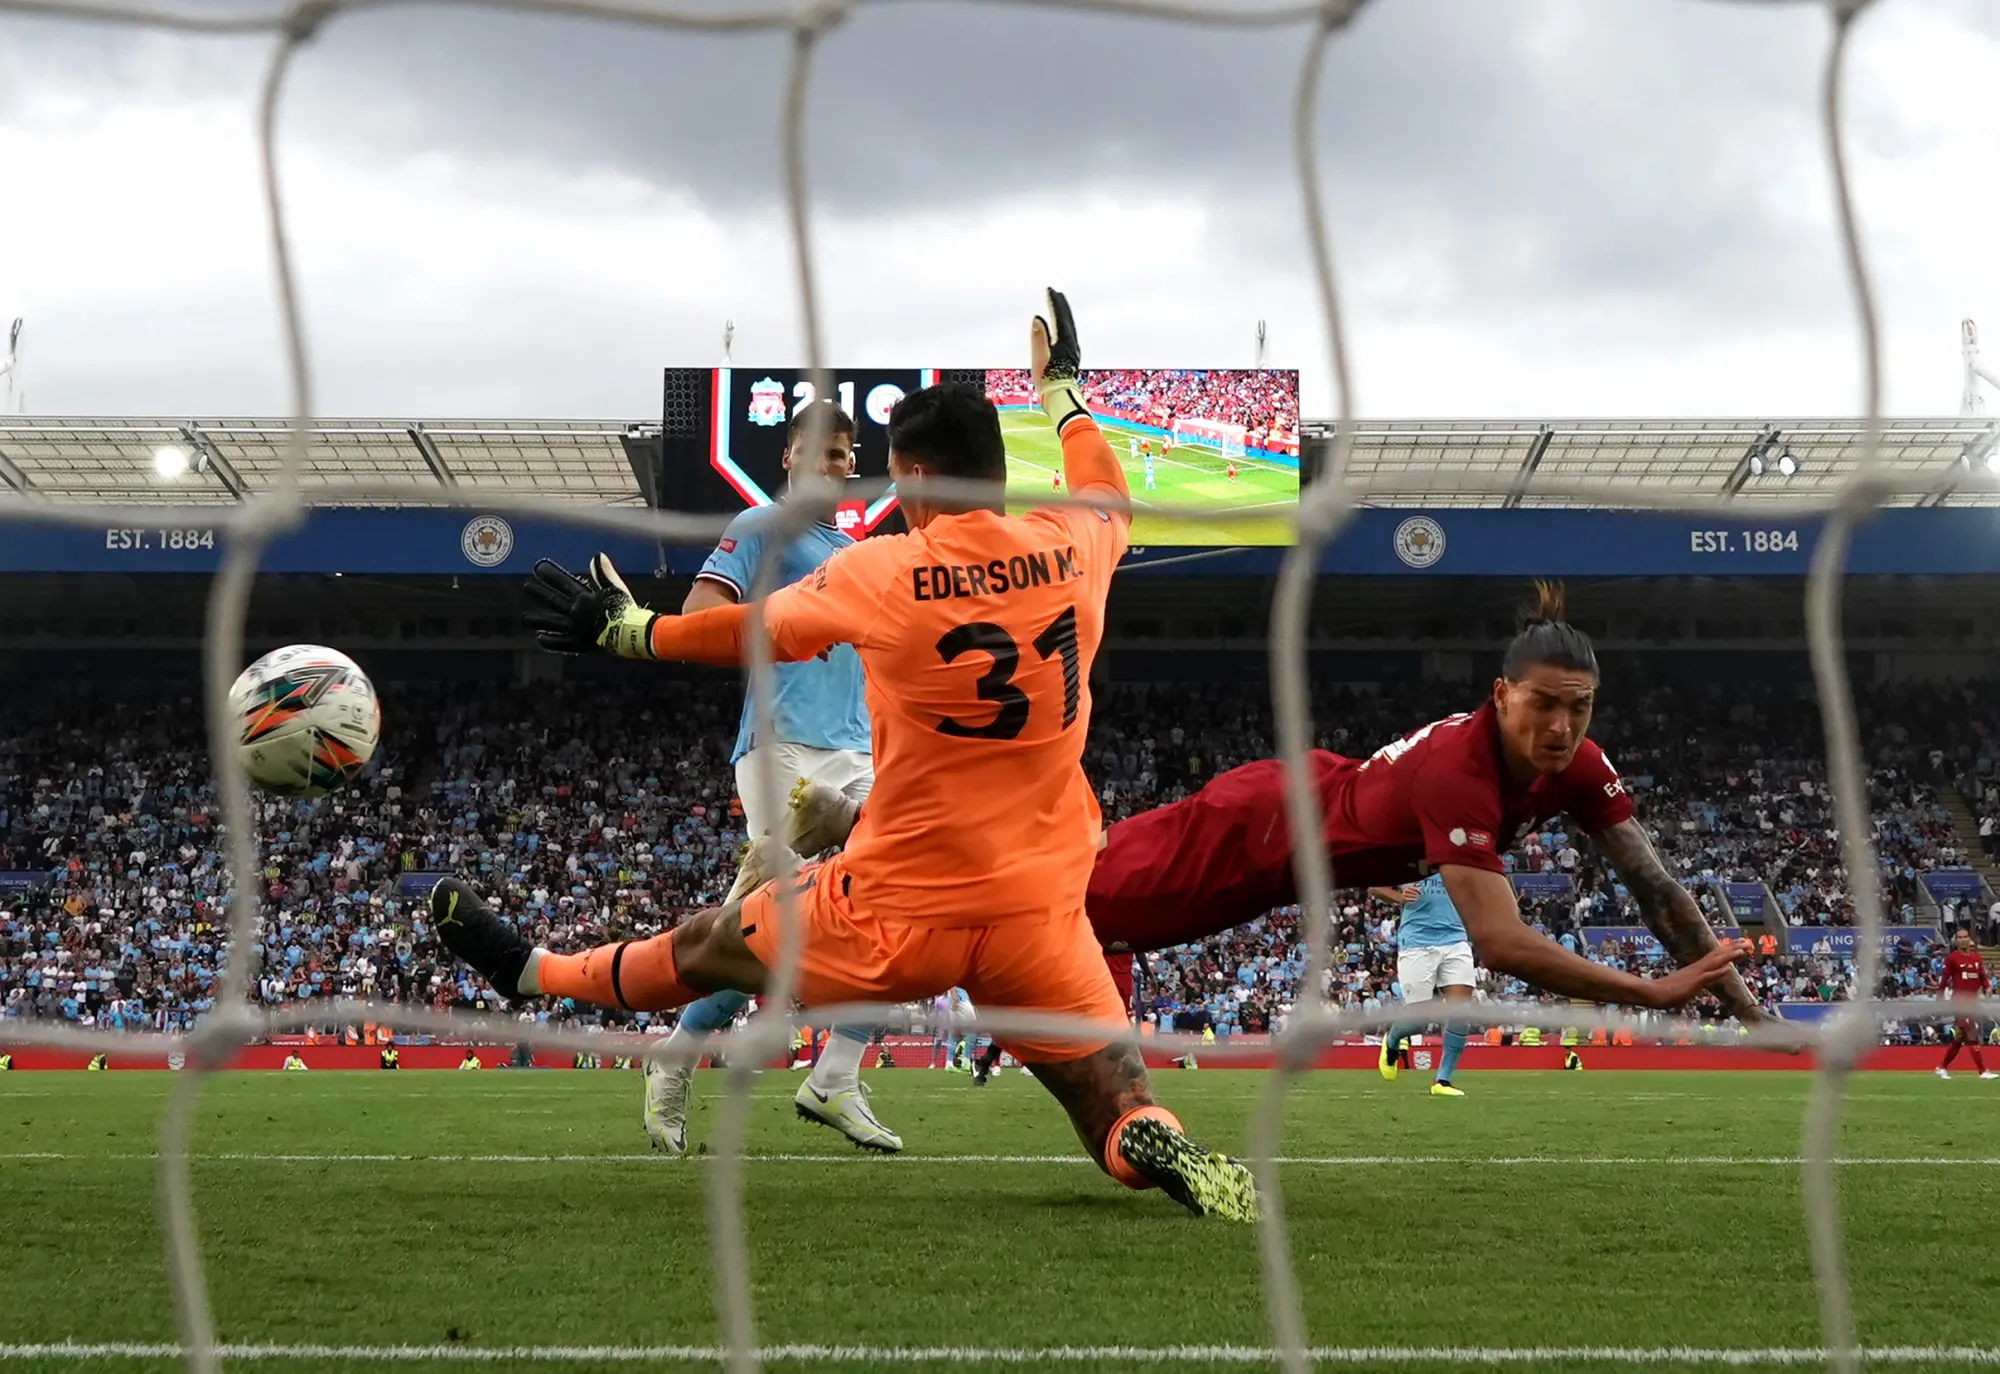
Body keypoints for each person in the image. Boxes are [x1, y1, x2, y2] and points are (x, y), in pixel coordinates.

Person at [437, 290, 1258, 1221]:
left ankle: (530, 972)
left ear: (909, 480)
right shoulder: (1076, 544)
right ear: (997, 474)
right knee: (1112, 1096)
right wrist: (1061, 390)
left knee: (709, 945)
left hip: (896, 906)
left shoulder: (883, 568)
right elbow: (1103, 481)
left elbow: (751, 631)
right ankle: (1152, 1133)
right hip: (1038, 910)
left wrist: (628, 631)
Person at [790, 582, 1758, 1023]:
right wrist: (1649, 993)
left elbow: (1656, 888)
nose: (1558, 728)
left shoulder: (1578, 763)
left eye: (1576, 711)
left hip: (1289, 810)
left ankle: (866, 825)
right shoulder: (1458, 769)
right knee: (1049, 902)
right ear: (1497, 697)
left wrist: (1742, 1007)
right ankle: (863, 825)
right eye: (1542, 707)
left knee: (1053, 882)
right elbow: (1498, 943)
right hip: (1252, 841)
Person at [639, 399, 898, 1158]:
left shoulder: (859, 553)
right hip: (781, 746)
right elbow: (698, 612)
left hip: (857, 752)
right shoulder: (761, 529)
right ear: (788, 459)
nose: (836, 464)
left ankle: (837, 1076)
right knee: (772, 924)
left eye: (847, 454)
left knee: (902, 901)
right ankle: (680, 1049)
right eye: (822, 451)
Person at [1371, 873, 1474, 1097]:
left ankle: (1443, 1081)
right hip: (1417, 941)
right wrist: (1399, 896)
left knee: (1461, 1011)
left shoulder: (1456, 855)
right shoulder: (1407, 852)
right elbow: (1374, 887)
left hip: (1455, 939)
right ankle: (1393, 1039)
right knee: (1419, 1020)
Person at [1936, 929, 1995, 1080]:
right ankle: (1982, 1071)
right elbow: (1944, 979)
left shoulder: (1976, 957)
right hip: (1960, 1002)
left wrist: (1987, 987)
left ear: (1969, 939)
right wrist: (1940, 997)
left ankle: (1941, 1067)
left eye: (1965, 937)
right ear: (1956, 940)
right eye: (1959, 937)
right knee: (1972, 1032)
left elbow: (1981, 976)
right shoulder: (1952, 958)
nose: (1962, 940)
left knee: (1960, 1038)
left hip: (1973, 1002)